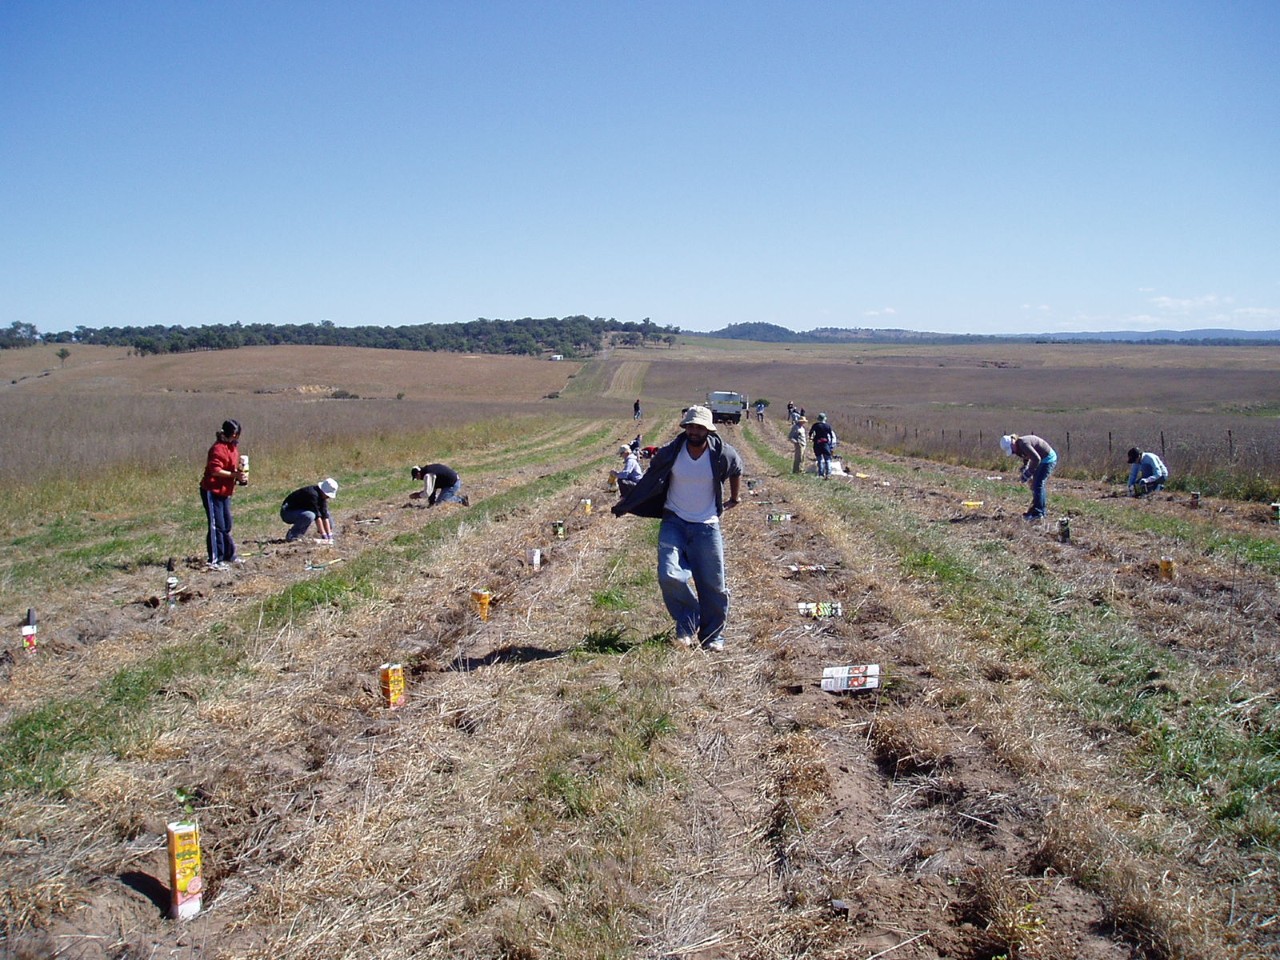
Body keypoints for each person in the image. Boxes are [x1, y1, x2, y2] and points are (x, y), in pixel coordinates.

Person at [612, 405, 743, 652]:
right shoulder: (671, 452)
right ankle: (688, 618)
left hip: (707, 525)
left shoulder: (722, 453)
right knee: (668, 573)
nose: (693, 431)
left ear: (708, 429)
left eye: (699, 427)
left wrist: (734, 498)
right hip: (675, 521)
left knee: (713, 584)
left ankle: (713, 636)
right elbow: (651, 478)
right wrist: (628, 502)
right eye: (690, 426)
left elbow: (736, 469)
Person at [200, 419, 247, 571]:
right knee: (217, 525)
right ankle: (215, 559)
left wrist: (241, 475)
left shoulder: (232, 447)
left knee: (226, 524)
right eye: (236, 435)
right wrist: (234, 475)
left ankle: (229, 555)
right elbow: (215, 470)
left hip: (225, 491)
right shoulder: (217, 449)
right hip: (212, 490)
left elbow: (234, 466)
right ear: (233, 434)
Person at [1001, 434, 1058, 519]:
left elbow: (1036, 459)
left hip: (1048, 459)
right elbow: (1027, 455)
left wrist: (1028, 473)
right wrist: (1025, 466)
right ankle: (1035, 509)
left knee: (1038, 485)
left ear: (1012, 443)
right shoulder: (1018, 446)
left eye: (1011, 450)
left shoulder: (1024, 444)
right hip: (1040, 459)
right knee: (1034, 485)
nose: (1013, 453)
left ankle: (1039, 513)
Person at [809, 413, 837, 478]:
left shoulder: (815, 425)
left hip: (817, 444)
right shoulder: (827, 426)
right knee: (827, 459)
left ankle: (820, 474)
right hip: (825, 444)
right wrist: (831, 445)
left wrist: (811, 438)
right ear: (824, 419)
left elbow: (810, 433)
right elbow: (831, 436)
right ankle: (828, 474)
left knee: (819, 459)